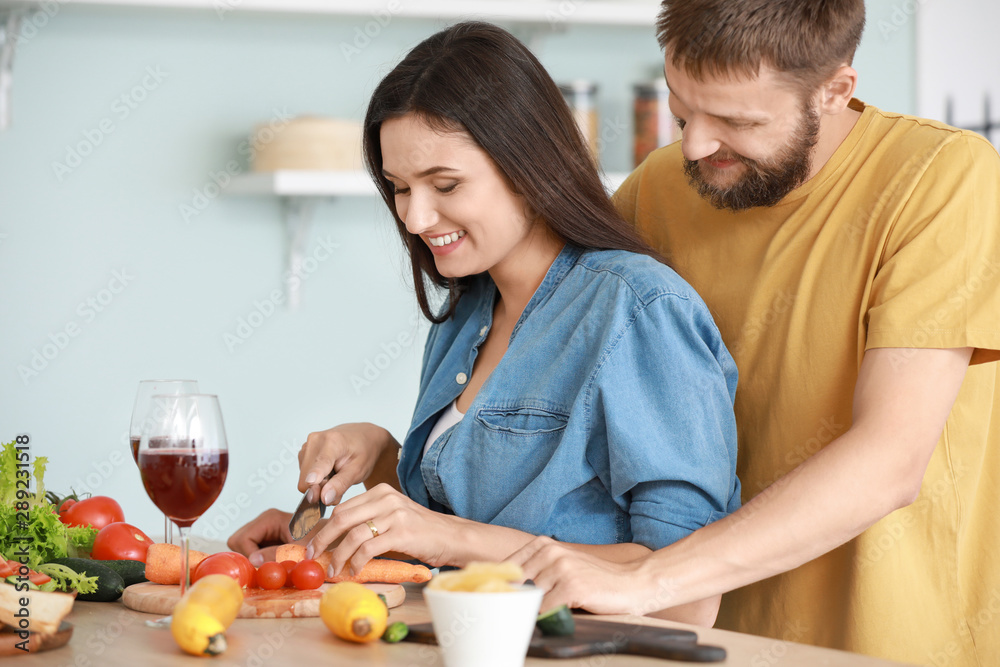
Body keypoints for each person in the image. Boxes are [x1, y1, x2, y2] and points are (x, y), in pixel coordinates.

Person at [510, 1, 1000, 665]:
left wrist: (646, 579)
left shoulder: (943, 178)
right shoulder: (659, 186)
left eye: (736, 121)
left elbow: (890, 459)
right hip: (696, 637)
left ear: (835, 90)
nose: (694, 144)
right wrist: (397, 457)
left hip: (887, 640)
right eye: (682, 109)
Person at [229, 21, 741, 625]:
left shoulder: (639, 311)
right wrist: (374, 463)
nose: (417, 217)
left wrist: (448, 539)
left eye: (445, 185)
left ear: (529, 166)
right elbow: (443, 537)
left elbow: (686, 594)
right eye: (399, 187)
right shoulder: (467, 312)